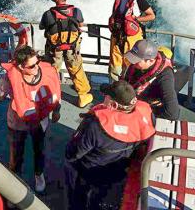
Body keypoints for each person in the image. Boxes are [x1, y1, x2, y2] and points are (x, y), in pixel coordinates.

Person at [0, 45, 61, 193]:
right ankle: (15, 184)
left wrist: (56, 111)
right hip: (18, 123)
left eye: (38, 62)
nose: (36, 67)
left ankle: (38, 175)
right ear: (21, 67)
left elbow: (55, 91)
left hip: (41, 121)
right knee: (16, 155)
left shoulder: (46, 72)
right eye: (32, 66)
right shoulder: (10, 79)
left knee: (39, 150)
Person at [65, 80, 155, 209]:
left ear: (113, 104)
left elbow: (73, 153)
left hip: (90, 172)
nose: (103, 99)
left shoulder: (94, 125)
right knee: (100, 195)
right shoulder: (146, 115)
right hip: (119, 170)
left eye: (106, 97)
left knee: (79, 196)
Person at [39, 0, 93, 108]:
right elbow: (80, 22)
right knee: (76, 69)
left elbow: (42, 26)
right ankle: (83, 97)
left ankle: (50, 96)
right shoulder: (76, 11)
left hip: (54, 49)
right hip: (72, 48)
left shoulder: (48, 14)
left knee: (51, 71)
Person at [108, 0, 155, 80]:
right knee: (114, 66)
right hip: (117, 37)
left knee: (131, 66)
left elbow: (151, 15)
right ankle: (114, 90)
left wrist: (137, 19)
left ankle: (129, 90)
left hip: (131, 38)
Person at [123, 39, 180, 120]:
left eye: (136, 61)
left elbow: (172, 113)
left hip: (146, 107)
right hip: (132, 99)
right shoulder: (136, 66)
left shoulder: (165, 76)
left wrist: (143, 110)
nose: (132, 62)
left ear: (151, 61)